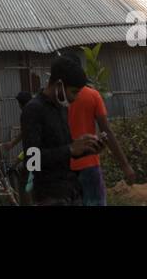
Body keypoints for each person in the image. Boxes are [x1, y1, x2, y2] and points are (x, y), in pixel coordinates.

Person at [19, 56, 102, 205]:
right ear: (58, 84)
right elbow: (32, 161)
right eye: (74, 92)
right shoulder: (33, 110)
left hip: (71, 191)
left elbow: (64, 149)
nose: (76, 98)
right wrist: (69, 150)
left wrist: (87, 148)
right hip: (50, 195)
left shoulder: (61, 108)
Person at [69, 76, 135, 206]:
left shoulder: (58, 99)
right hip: (89, 164)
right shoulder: (92, 95)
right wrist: (125, 165)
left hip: (65, 168)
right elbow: (106, 131)